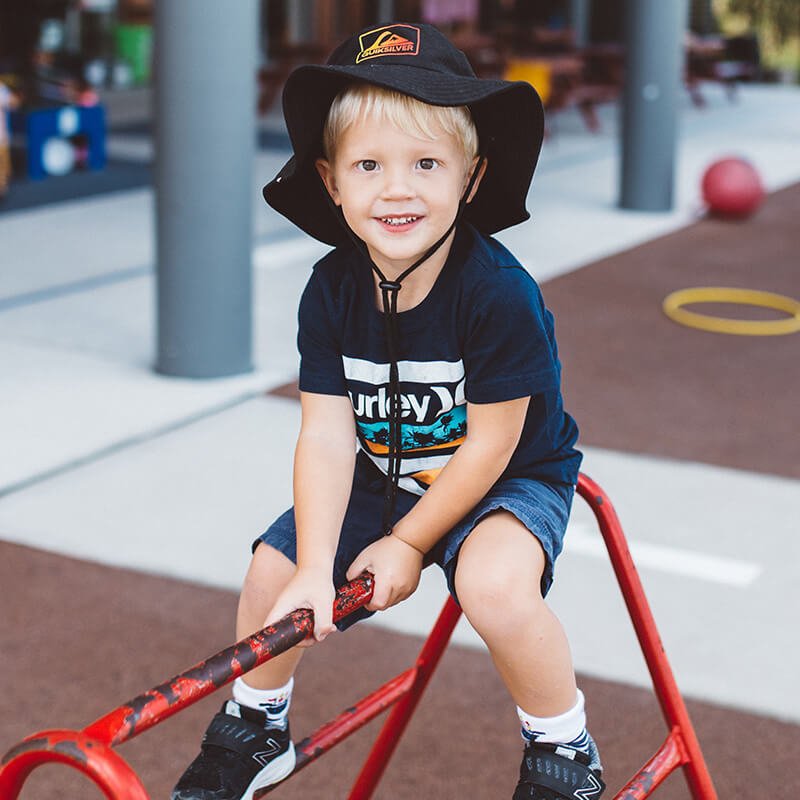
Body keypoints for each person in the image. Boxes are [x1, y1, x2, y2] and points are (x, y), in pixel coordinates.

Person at [172, 22, 603, 800]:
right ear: (332, 182)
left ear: (471, 178)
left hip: (506, 473)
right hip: (385, 468)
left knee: (495, 586)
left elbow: (494, 442)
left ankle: (564, 749)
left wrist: (407, 542)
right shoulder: (331, 288)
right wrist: (312, 568)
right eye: (369, 165)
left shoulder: (497, 291)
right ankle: (257, 723)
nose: (397, 189)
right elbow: (328, 435)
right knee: (270, 573)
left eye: (426, 164)